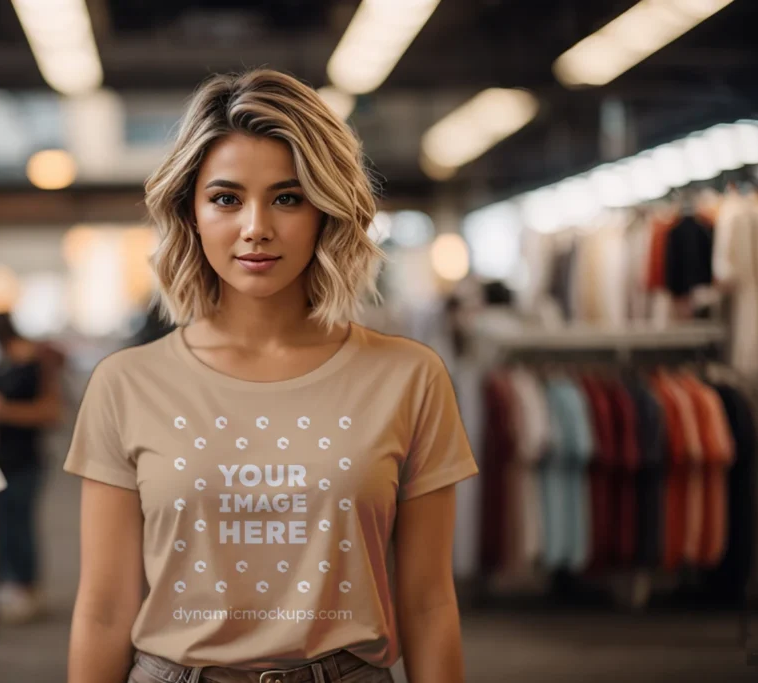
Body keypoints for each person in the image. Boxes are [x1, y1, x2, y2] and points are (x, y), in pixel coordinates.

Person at [64, 70, 479, 683]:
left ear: (326, 211)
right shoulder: (125, 384)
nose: (256, 226)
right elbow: (103, 611)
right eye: (226, 198)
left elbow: (428, 602)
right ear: (191, 213)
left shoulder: (410, 378)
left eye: (287, 197)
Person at [0, 312, 63, 623]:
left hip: (27, 457)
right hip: (0, 457)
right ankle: (9, 584)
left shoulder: (37, 364)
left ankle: (26, 587)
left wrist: (3, 411)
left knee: (20, 524)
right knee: (3, 523)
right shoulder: (2, 365)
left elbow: (51, 412)